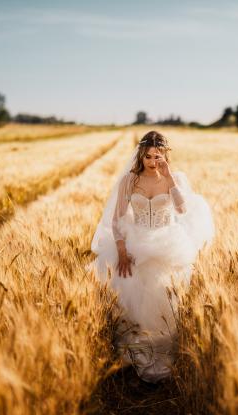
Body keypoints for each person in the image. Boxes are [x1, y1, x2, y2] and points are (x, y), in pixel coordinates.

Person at [90, 130, 214, 383]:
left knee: (162, 299)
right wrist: (122, 251)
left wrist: (169, 179)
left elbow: (181, 209)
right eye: (148, 156)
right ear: (141, 156)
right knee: (131, 296)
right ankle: (136, 352)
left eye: (157, 156)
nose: (152, 161)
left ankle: (163, 352)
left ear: (164, 156)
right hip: (135, 243)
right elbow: (117, 220)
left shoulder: (173, 178)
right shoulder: (130, 180)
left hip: (167, 243)